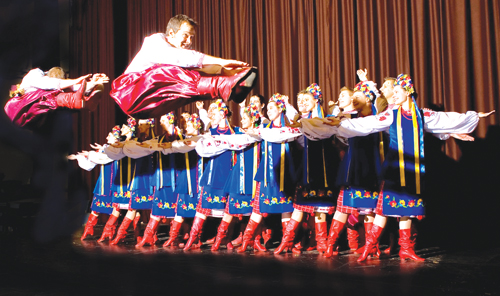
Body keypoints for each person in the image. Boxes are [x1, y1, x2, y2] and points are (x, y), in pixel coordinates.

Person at [300, 73, 494, 261]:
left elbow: (443, 119)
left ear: (408, 91)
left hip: (414, 170)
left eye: (398, 91)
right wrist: (338, 125)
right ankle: (369, 247)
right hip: (394, 169)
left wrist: (472, 117)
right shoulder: (390, 115)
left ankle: (406, 249)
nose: (394, 94)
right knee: (385, 209)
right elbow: (368, 124)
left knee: (407, 209)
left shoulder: (421, 114)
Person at [110, 14, 258, 118]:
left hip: (148, 107)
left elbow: (199, 67)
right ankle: (225, 86)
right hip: (129, 93)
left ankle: (232, 88)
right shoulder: (155, 42)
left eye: (191, 37)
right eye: (185, 35)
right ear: (172, 33)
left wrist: (231, 72)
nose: (188, 41)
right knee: (168, 72)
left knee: (189, 80)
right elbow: (181, 57)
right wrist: (222, 61)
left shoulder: (176, 54)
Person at [275, 84, 339, 255]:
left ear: (316, 100)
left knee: (320, 208)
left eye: (306, 99)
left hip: (323, 169)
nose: (301, 102)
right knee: (299, 207)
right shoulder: (298, 121)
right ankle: (286, 241)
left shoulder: (327, 118)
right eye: (299, 100)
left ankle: (322, 243)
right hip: (306, 168)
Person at [5, 67, 109, 128]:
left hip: (35, 119)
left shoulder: (53, 95)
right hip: (16, 110)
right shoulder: (34, 75)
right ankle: (77, 102)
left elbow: (75, 88)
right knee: (48, 97)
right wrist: (77, 80)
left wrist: (93, 82)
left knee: (56, 100)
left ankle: (86, 103)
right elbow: (50, 83)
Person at [69, 125, 121, 241]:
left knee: (116, 207)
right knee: (96, 206)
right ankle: (89, 228)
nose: (107, 137)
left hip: (116, 183)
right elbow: (91, 164)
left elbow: (103, 158)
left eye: (110, 135)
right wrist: (80, 157)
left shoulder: (119, 149)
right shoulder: (106, 148)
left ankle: (109, 230)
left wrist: (90, 154)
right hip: (104, 182)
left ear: (116, 138)